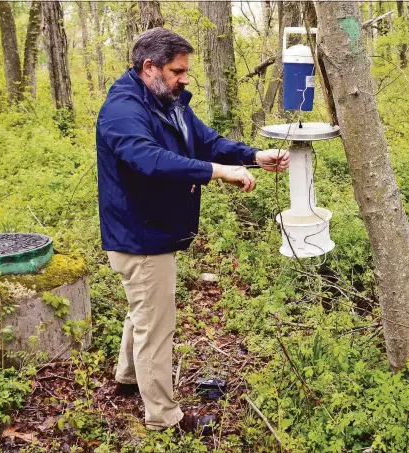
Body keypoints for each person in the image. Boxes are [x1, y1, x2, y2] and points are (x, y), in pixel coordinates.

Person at [96, 28, 289, 432]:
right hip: (140, 235)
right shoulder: (123, 109)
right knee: (155, 324)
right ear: (149, 67)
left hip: (155, 229)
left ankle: (128, 378)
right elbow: (148, 159)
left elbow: (206, 142)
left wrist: (253, 155)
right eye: (177, 70)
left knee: (144, 310)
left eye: (185, 70)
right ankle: (164, 418)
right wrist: (217, 173)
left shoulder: (171, 102)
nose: (185, 78)